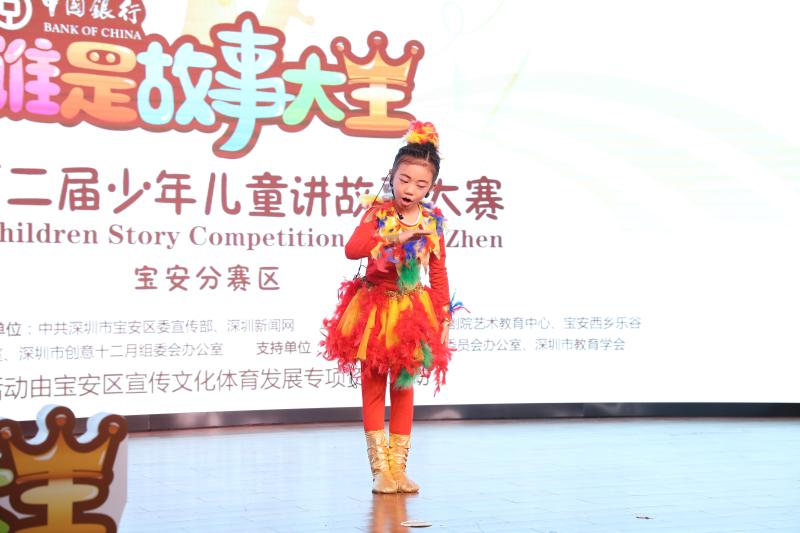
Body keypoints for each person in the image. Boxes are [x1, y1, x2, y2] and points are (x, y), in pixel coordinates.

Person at [321, 121, 453, 494]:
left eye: (420, 185)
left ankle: (399, 469)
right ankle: (380, 471)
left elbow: (438, 272)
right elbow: (352, 250)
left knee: (405, 387)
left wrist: (443, 315)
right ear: (391, 177)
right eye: (404, 180)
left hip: (412, 310)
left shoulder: (432, 222)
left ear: (431, 187)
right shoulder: (377, 214)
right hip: (375, 309)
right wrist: (393, 236)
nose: (410, 189)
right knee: (374, 384)